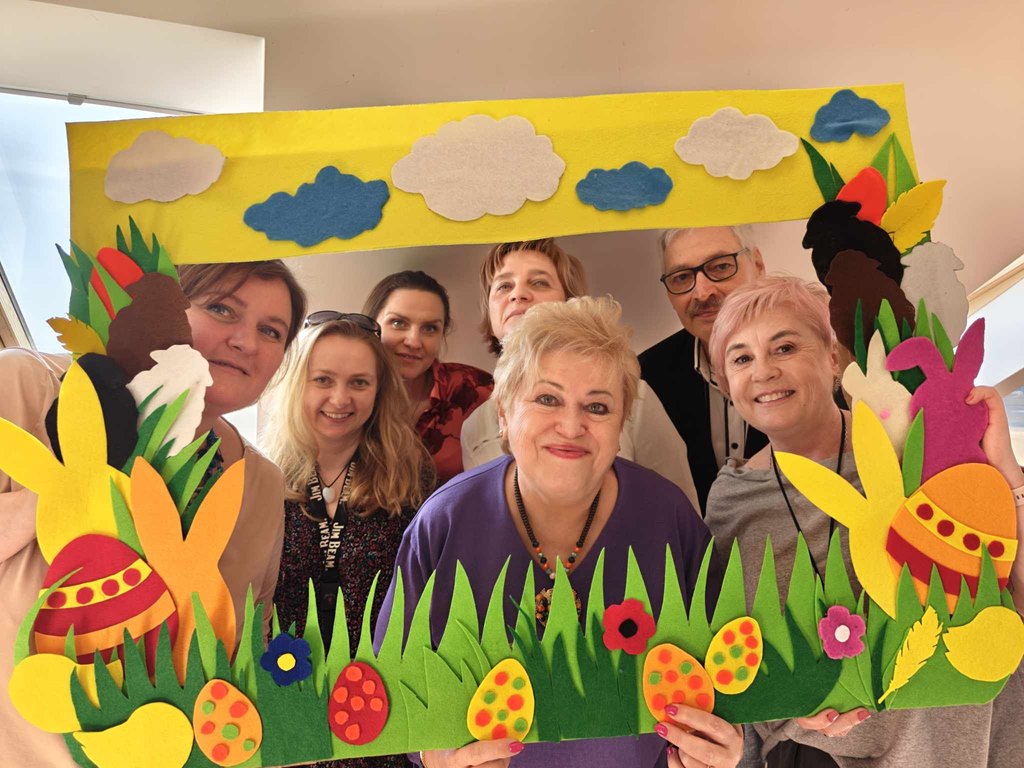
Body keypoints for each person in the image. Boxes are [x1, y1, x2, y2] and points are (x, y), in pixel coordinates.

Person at [377, 297, 742, 768]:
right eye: (547, 399)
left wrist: (720, 747)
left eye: (598, 406)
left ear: (621, 423)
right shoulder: (444, 521)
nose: (571, 426)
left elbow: (729, 684)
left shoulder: (669, 515)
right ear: (504, 413)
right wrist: (433, 756)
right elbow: (395, 697)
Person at [703, 276, 1024, 768]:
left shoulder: (914, 445)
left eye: (784, 347)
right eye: (741, 359)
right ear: (727, 386)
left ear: (833, 357)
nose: (763, 371)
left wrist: (1007, 476)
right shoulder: (730, 500)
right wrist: (790, 704)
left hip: (965, 748)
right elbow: (741, 660)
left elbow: (1011, 591)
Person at [0, 260, 307, 767]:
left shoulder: (260, 482)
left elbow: (249, 634)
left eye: (271, 331)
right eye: (221, 308)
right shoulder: (27, 385)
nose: (245, 341)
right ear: (166, 306)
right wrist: (74, 490)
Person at [263, 312, 432, 768]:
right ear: (297, 384)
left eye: (359, 383)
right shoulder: (261, 476)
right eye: (323, 380)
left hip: (384, 714)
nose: (340, 399)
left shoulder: (412, 476)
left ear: (379, 391)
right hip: (286, 709)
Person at [460, 239, 700, 512]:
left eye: (538, 282)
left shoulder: (636, 394)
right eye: (504, 286)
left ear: (569, 302)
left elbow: (679, 509)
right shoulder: (473, 427)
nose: (519, 294)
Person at [639, 226, 769, 513]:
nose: (702, 292)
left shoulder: (814, 355)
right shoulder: (645, 378)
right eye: (682, 277)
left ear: (758, 265)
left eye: (720, 267)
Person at [364, 271, 492, 486]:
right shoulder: (349, 395)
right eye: (398, 323)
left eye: (430, 328)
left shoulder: (476, 390)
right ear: (372, 326)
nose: (414, 342)